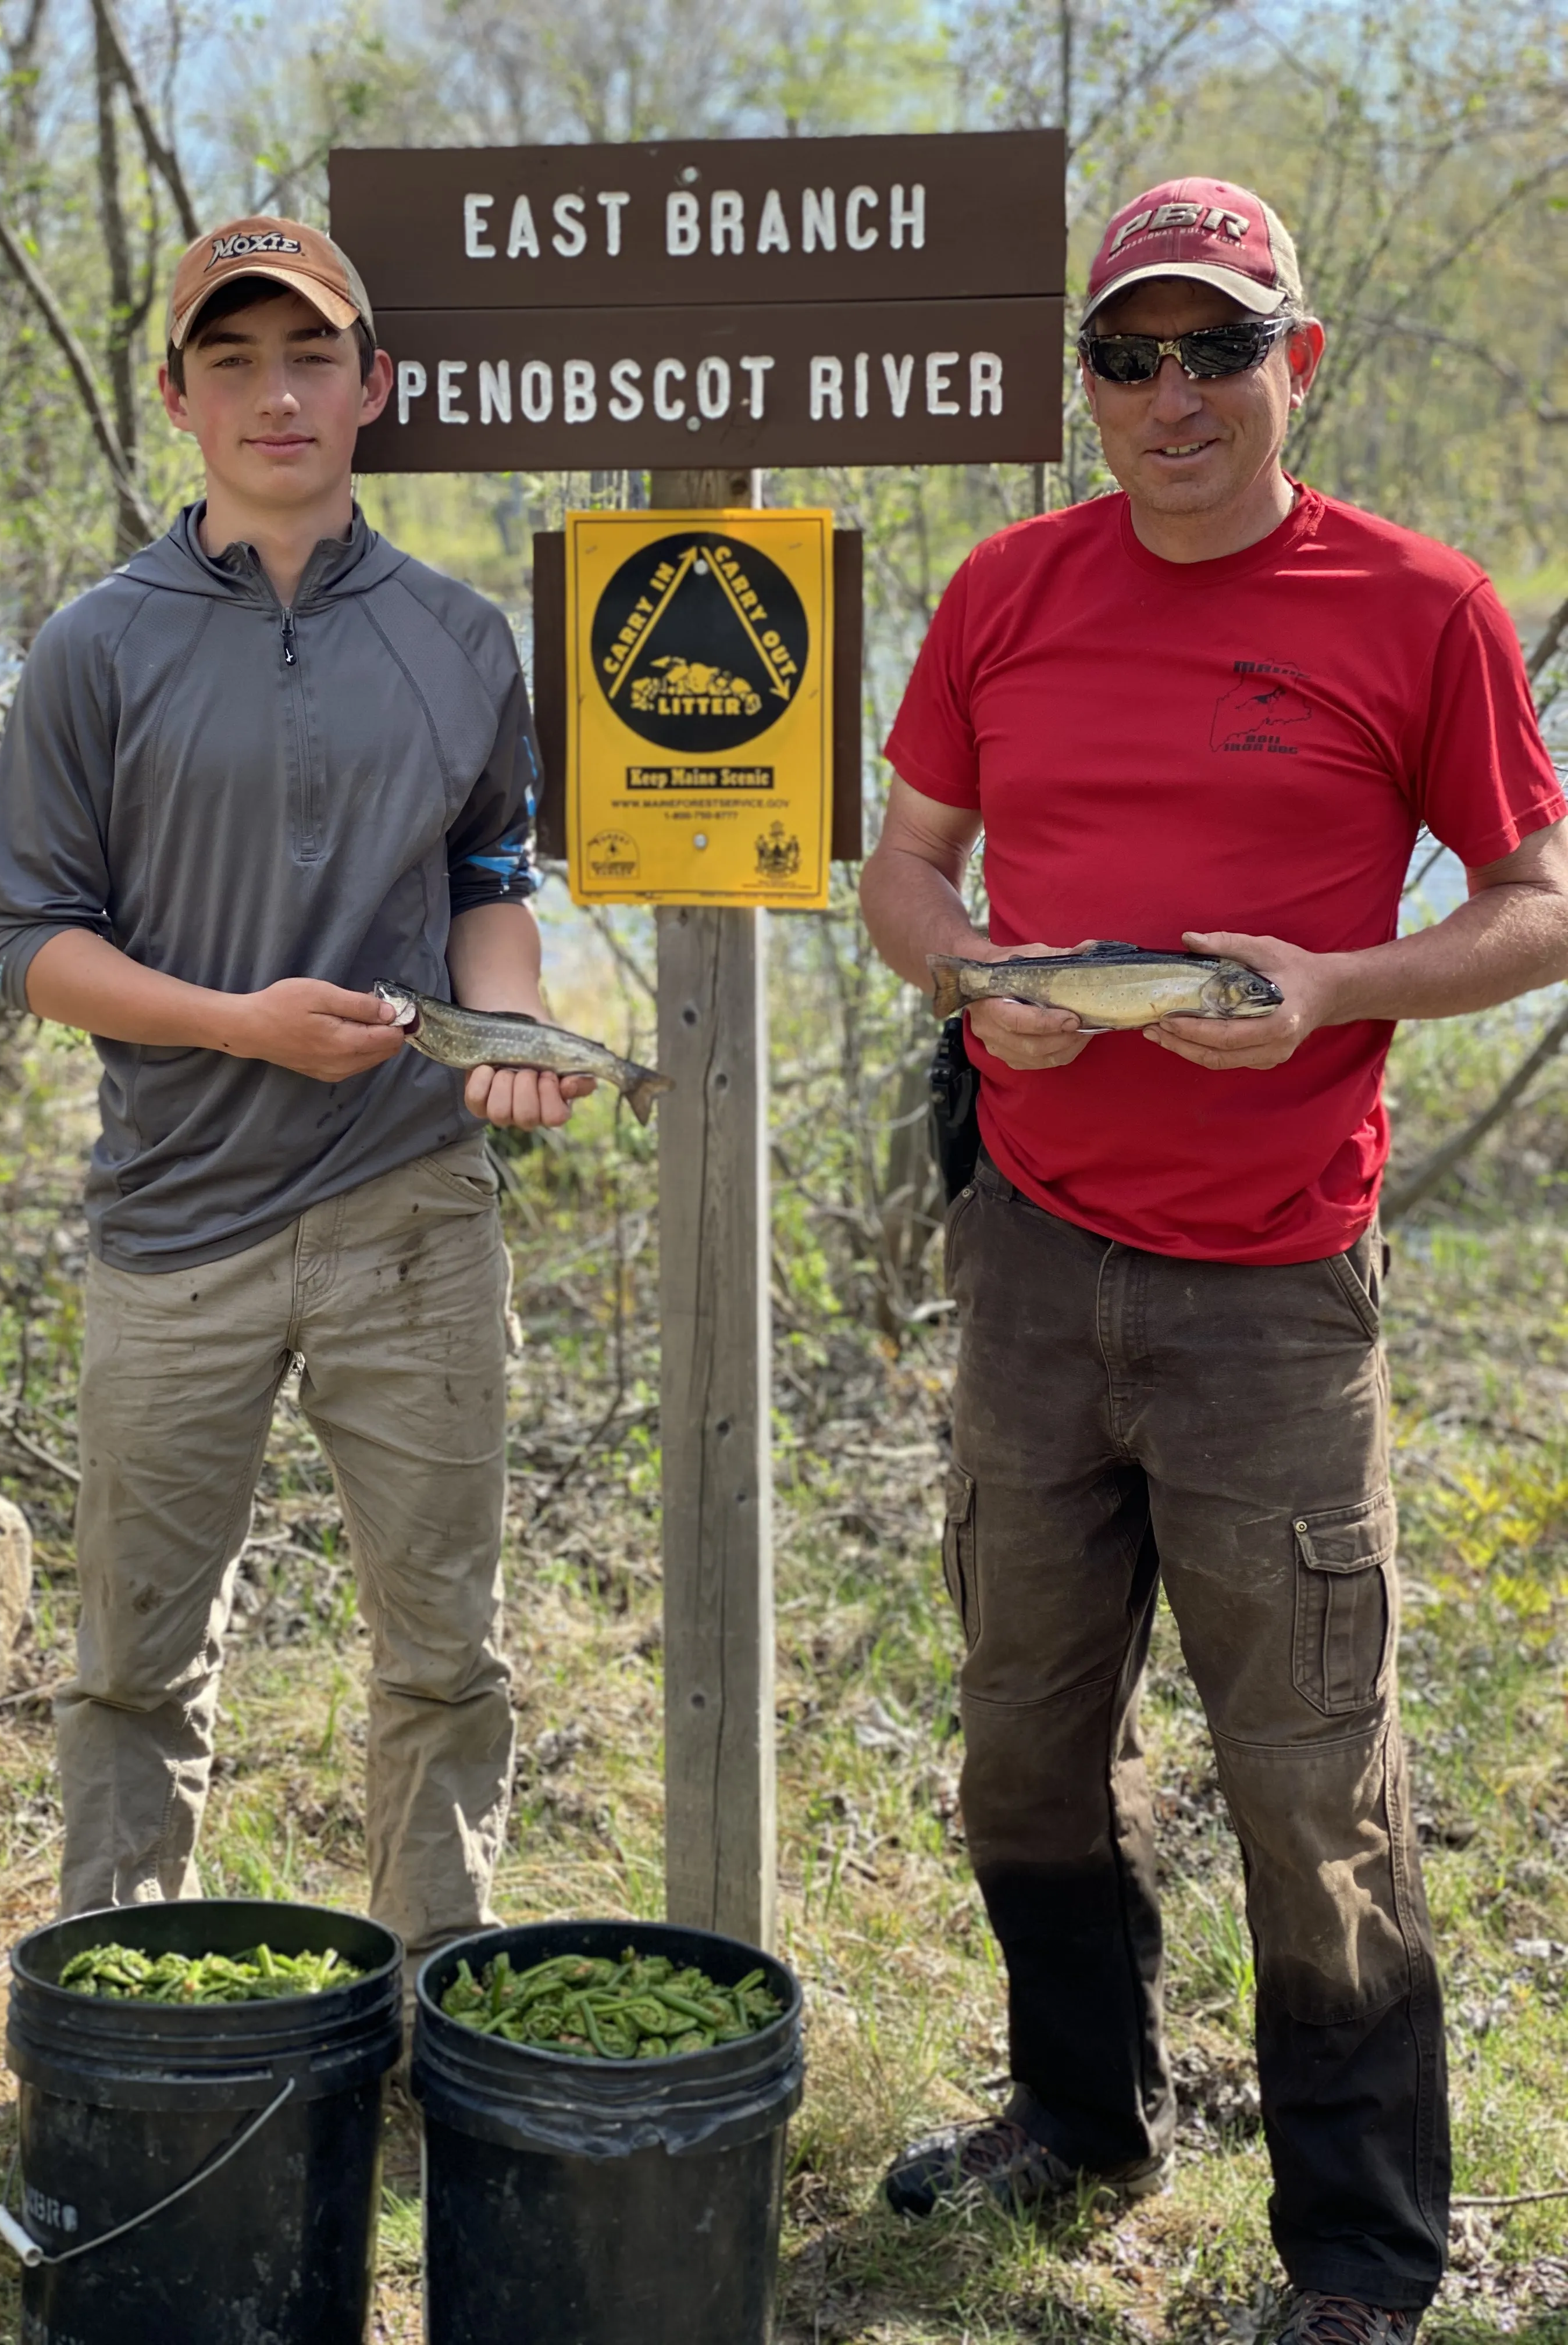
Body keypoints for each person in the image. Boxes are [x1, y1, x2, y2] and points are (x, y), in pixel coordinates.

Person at [860, 177, 1568, 2344]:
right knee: (1019, 1736)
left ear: (1301, 362)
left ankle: (1361, 2257)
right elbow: (903, 872)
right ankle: (1082, 2116)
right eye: (1130, 355)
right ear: (1083, 383)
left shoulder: (1418, 605)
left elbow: (1538, 903)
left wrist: (1346, 980)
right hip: (1033, 1263)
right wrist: (981, 982)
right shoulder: (1005, 590)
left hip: (1273, 1295)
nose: (1173, 395)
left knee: (1308, 1771)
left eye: (1218, 348)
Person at [0, 215, 590, 1994]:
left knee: (446, 1656)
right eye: (232, 362)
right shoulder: (98, 648)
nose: (278, 394)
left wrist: (514, 1026)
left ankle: (422, 2005)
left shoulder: (461, 639)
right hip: (174, 1230)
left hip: (413, 1215)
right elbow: (24, 942)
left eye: (311, 357)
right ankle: (121, 2018)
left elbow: (490, 875)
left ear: (374, 386)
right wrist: (237, 1025)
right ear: (177, 398)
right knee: (132, 1667)